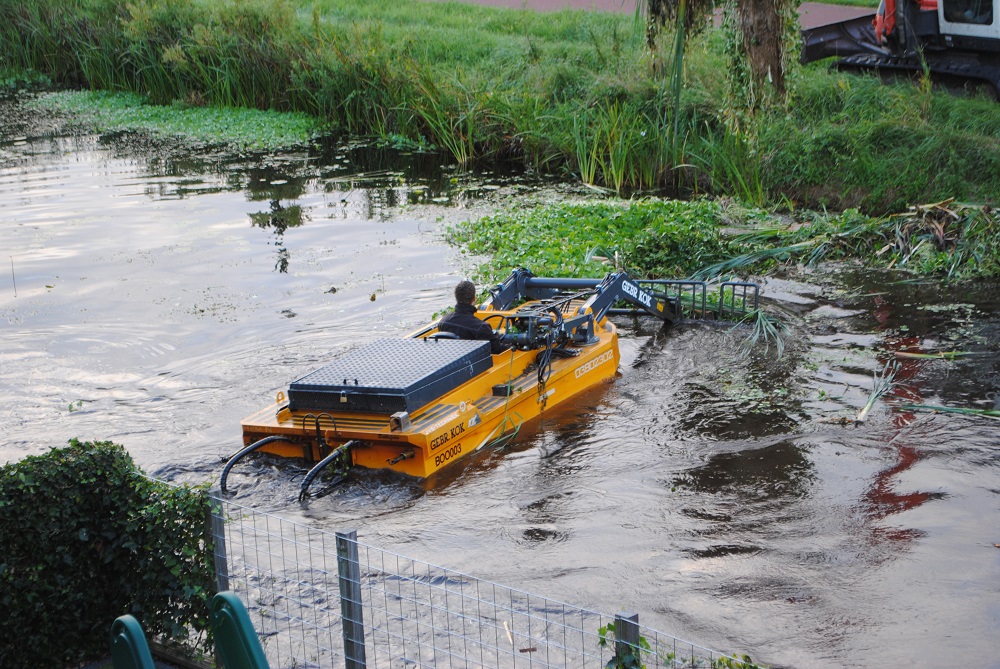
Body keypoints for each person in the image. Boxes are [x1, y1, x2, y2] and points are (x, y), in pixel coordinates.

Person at [437, 280, 507, 354]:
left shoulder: (443, 321)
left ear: (456, 298)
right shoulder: (481, 327)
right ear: (474, 299)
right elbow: (496, 350)